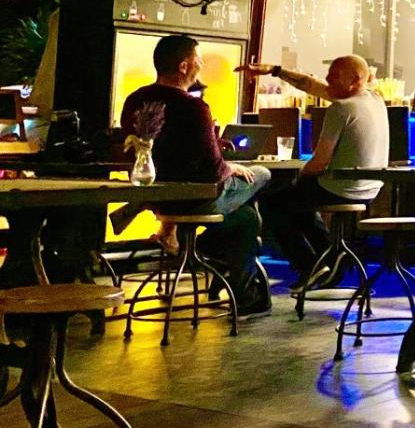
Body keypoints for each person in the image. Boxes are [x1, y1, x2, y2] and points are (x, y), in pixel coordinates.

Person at [115, 34, 272, 313]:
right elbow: (214, 171)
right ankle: (233, 279)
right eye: (198, 60)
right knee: (262, 175)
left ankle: (183, 237)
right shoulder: (194, 107)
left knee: (246, 217)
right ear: (184, 66)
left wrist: (213, 146)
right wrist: (232, 167)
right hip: (197, 198)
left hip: (156, 196)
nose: (201, 65)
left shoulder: (135, 99)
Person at [238, 56, 388, 287]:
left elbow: (319, 162)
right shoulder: (375, 100)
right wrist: (275, 70)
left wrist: (300, 176)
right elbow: (310, 84)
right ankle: (331, 260)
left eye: (334, 76)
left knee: (273, 202)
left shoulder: (340, 108)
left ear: (356, 80)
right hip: (370, 189)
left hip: (340, 187)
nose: (327, 79)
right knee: (299, 201)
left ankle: (308, 265)